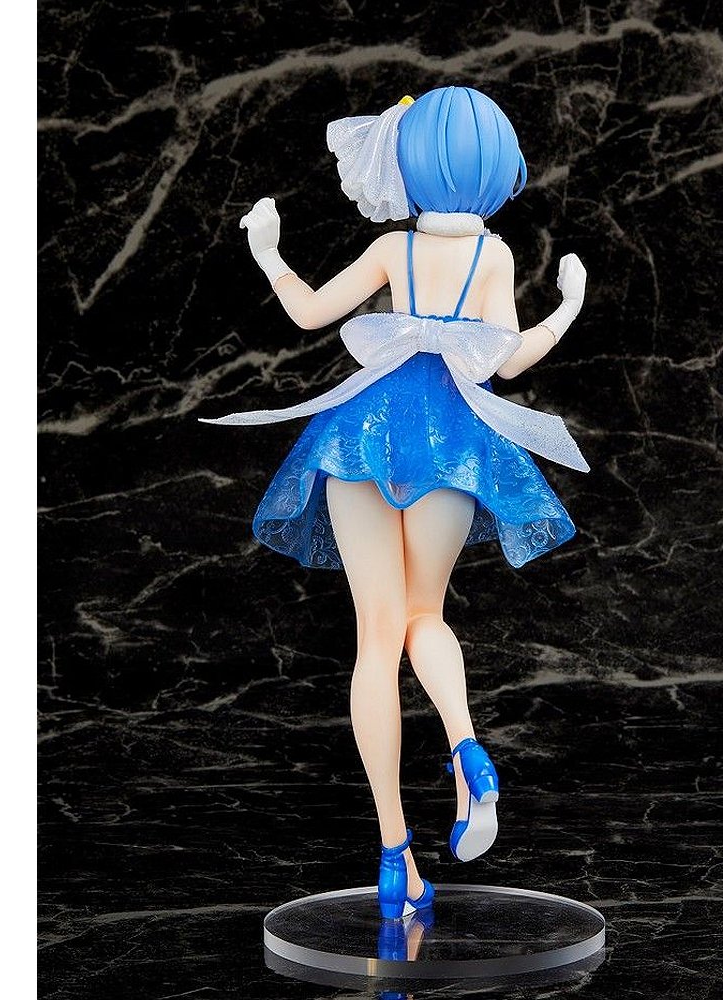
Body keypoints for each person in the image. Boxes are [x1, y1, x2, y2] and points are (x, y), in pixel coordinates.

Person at [200, 86, 588, 920]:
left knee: (375, 639)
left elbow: (309, 312)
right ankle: (467, 747)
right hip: (452, 443)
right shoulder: (493, 258)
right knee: (426, 616)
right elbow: (507, 363)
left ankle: (393, 856)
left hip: (363, 437)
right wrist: (568, 308)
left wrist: (268, 251)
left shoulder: (391, 248)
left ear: (410, 165)